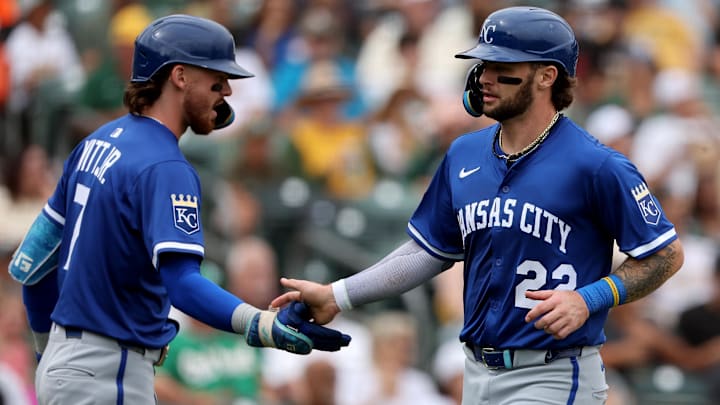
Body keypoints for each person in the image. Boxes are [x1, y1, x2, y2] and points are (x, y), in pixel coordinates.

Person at [272, 6, 684, 405]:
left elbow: (665, 254)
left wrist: (591, 298)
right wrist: (337, 295)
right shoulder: (464, 153)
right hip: (476, 373)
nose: (484, 77)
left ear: (546, 76)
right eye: (482, 64)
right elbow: (425, 253)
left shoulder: (595, 165)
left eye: (501, 66)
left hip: (553, 372)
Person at [7, 14, 350, 405]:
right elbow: (183, 284)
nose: (227, 92)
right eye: (216, 79)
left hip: (70, 366)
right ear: (180, 76)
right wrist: (263, 324)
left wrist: (46, 352)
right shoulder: (166, 166)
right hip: (109, 371)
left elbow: (32, 266)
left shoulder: (94, 143)